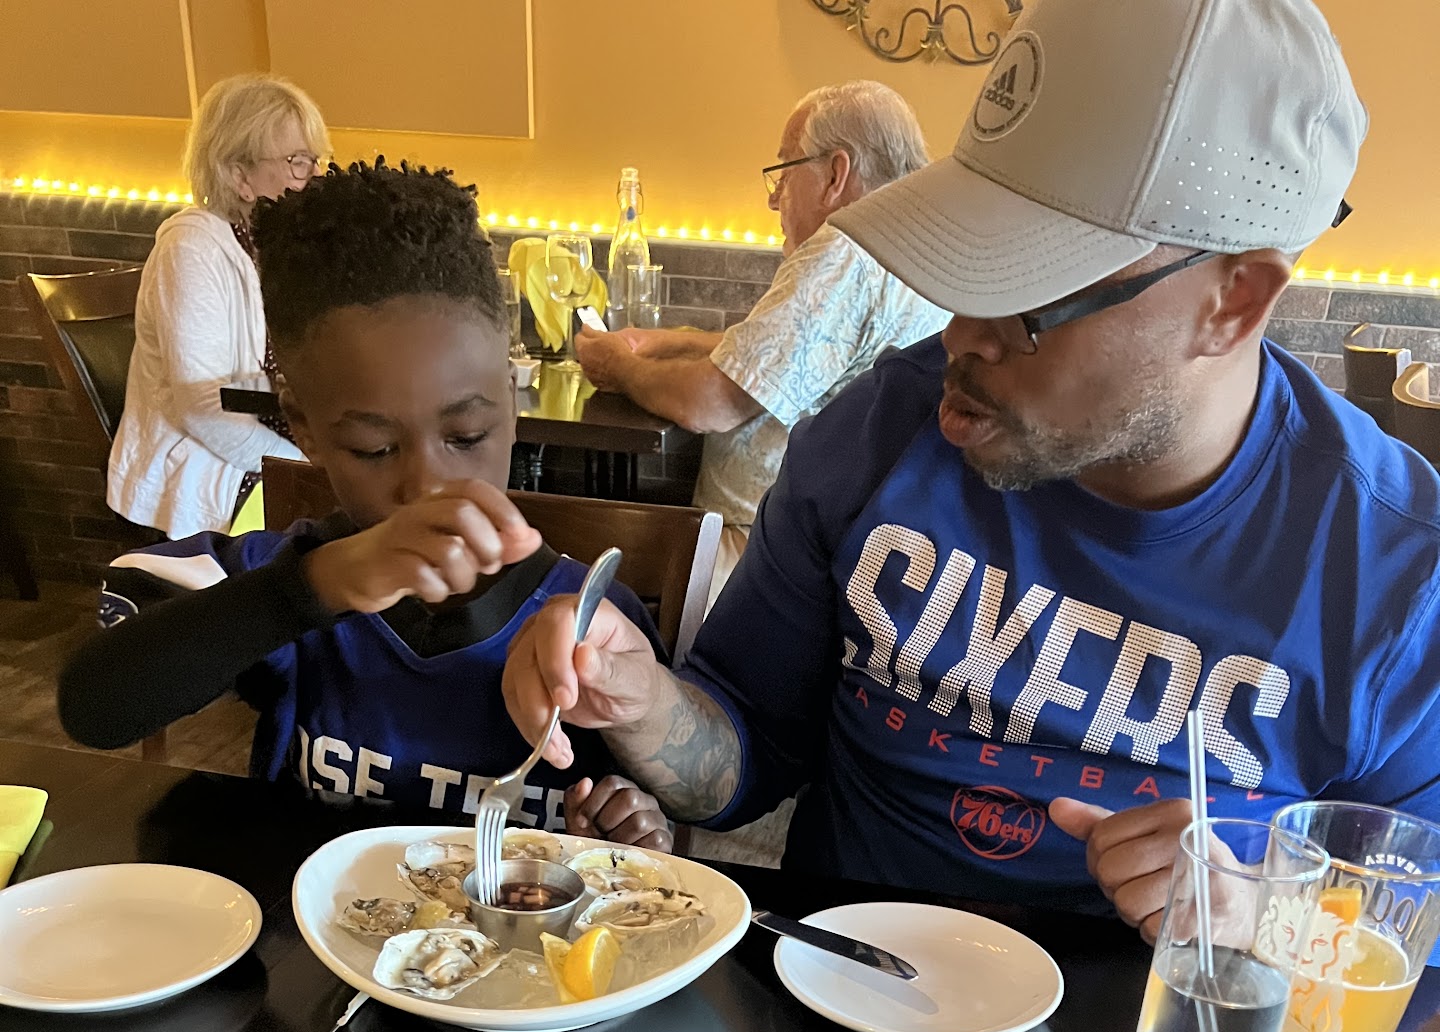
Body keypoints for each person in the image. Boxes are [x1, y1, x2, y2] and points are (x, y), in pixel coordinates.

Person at [504, 0, 1440, 940]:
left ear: (1232, 305)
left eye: (1031, 298)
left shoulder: (1395, 579)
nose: (960, 337)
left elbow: (1414, 934)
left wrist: (1275, 918)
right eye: (963, 268)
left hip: (1150, 1030)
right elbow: (744, 752)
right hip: (837, 989)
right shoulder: (880, 431)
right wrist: (642, 701)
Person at [63, 160, 669, 850]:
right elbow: (94, 706)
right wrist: (315, 587)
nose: (428, 487)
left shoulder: (593, 617)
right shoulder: (278, 578)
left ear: (510, 399)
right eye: (374, 449)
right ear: (303, 427)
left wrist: (623, 826)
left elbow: (637, 807)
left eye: (467, 435)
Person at [574, 81, 947, 598]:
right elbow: (786, 356)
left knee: (564, 561)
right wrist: (667, 343)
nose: (773, 199)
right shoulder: (918, 247)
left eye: (784, 172)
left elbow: (709, 404)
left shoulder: (844, 252)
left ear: (835, 174)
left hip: (758, 552)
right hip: (844, 551)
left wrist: (619, 367)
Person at [107, 74, 326, 540]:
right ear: (239, 175)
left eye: (314, 160)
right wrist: (309, 471)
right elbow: (204, 409)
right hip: (204, 479)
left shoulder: (274, 244)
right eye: (297, 162)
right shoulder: (191, 248)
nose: (313, 177)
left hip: (270, 442)